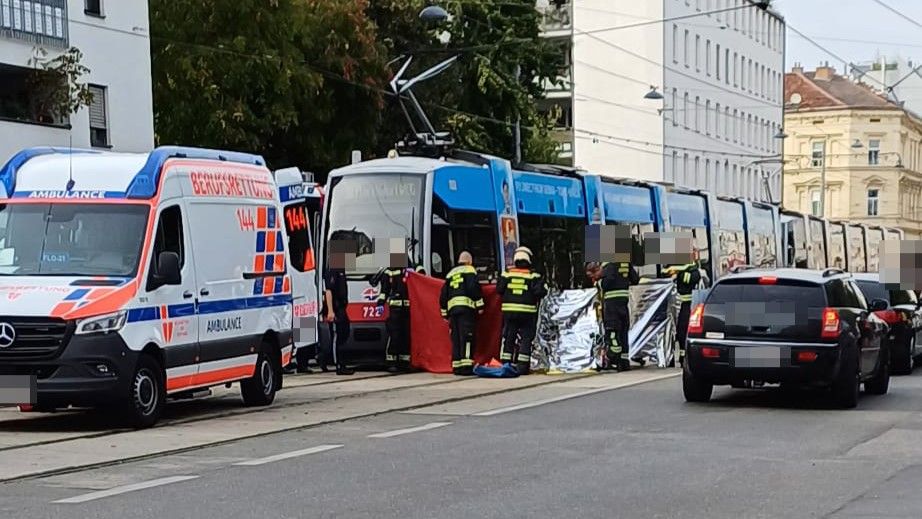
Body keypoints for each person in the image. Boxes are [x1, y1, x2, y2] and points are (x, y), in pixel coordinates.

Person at [496, 247, 547, 375]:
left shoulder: (506, 274)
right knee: (526, 338)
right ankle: (522, 367)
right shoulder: (533, 276)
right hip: (527, 312)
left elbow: (499, 289)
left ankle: (505, 363)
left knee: (509, 337)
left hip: (509, 312)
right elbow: (539, 292)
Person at [377, 257, 426, 373]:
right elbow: (384, 291)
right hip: (395, 308)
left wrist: (415, 270)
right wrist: (380, 303)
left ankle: (405, 361)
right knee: (394, 334)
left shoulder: (411, 269)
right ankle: (391, 361)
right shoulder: (389, 271)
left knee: (406, 334)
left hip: (408, 308)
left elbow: (422, 275)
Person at [439, 251, 484, 376]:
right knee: (467, 337)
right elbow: (473, 288)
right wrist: (480, 305)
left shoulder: (450, 274)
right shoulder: (470, 270)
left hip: (453, 311)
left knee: (456, 338)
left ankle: (457, 366)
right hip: (466, 310)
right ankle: (466, 366)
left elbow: (443, 296)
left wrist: (444, 313)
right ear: (469, 261)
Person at [599, 259, 639, 371]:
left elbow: (606, 284)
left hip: (612, 305)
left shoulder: (609, 265)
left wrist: (600, 281)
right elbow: (635, 279)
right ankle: (624, 361)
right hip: (624, 303)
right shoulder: (626, 263)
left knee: (612, 332)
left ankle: (614, 358)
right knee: (623, 332)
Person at [663, 255, 701, 367]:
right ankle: (670, 358)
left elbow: (693, 277)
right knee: (672, 332)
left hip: (686, 305)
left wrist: (679, 275)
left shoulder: (691, 267)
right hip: (671, 307)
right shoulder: (672, 265)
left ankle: (683, 357)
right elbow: (664, 273)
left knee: (682, 331)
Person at [323, 244, 355, 376]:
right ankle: (339, 365)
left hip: (342, 308)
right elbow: (328, 291)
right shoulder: (333, 270)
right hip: (335, 309)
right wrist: (330, 311)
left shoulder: (342, 270)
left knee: (344, 333)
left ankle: (324, 359)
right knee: (337, 336)